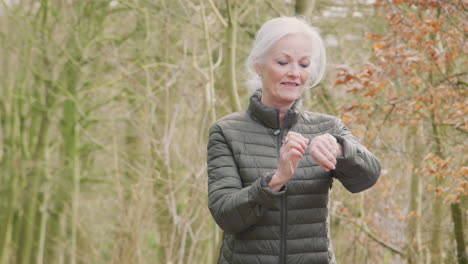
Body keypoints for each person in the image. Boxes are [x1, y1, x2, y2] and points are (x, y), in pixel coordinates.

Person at [207, 16, 381, 264]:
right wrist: (276, 180)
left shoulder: (328, 127)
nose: (294, 73)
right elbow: (226, 215)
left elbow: (369, 176)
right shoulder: (226, 131)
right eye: (282, 62)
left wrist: (341, 150)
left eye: (304, 64)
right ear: (259, 65)